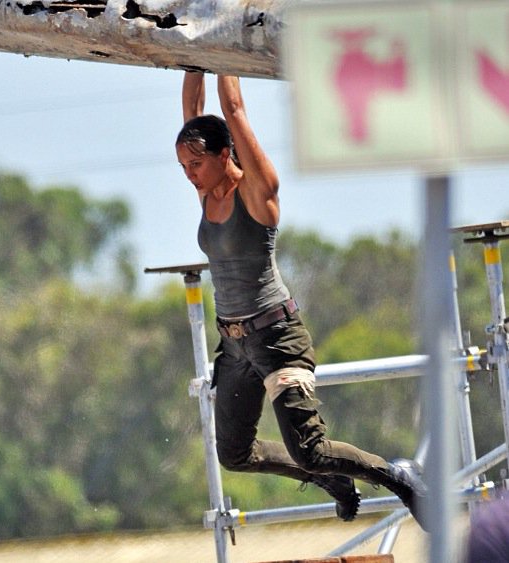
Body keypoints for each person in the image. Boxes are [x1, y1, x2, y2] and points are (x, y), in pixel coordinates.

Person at [175, 71, 428, 529]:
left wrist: (220, 55)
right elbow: (194, 110)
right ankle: (329, 478)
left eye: (195, 164)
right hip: (233, 346)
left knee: (310, 449)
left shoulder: (257, 192)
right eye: (183, 167)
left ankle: (398, 477)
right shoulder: (207, 193)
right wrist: (192, 61)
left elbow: (233, 109)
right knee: (235, 453)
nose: (189, 175)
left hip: (276, 337)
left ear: (225, 153)